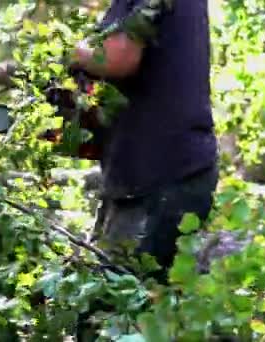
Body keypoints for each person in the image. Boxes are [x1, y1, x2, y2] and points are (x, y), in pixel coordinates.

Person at [68, 0, 218, 281]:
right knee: (114, 298)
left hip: (161, 176)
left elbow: (119, 57)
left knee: (116, 308)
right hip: (147, 174)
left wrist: (65, 51)